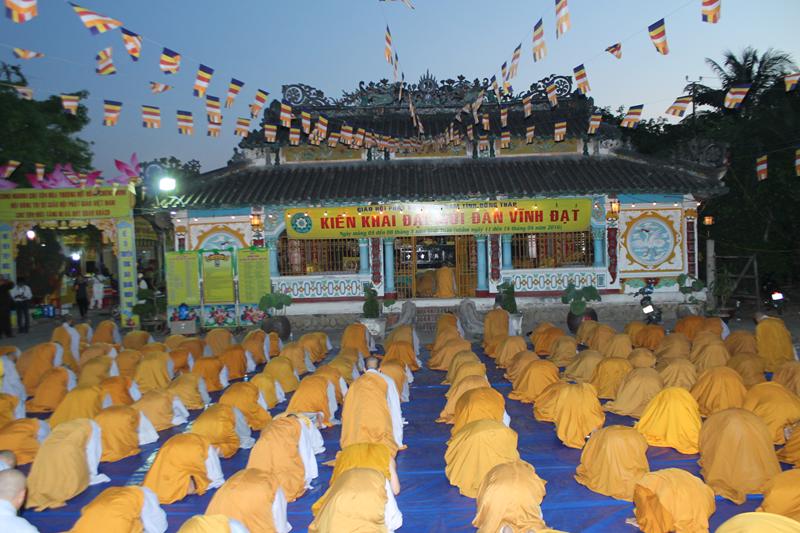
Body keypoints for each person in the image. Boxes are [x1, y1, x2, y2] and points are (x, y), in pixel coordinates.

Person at [340, 356, 404, 455]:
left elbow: (348, 409)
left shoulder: (355, 383)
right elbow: (395, 409)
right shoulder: (387, 380)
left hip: (360, 425)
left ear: (364, 369)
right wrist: (398, 441)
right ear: (379, 369)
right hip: (379, 424)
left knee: (360, 451)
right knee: (382, 451)